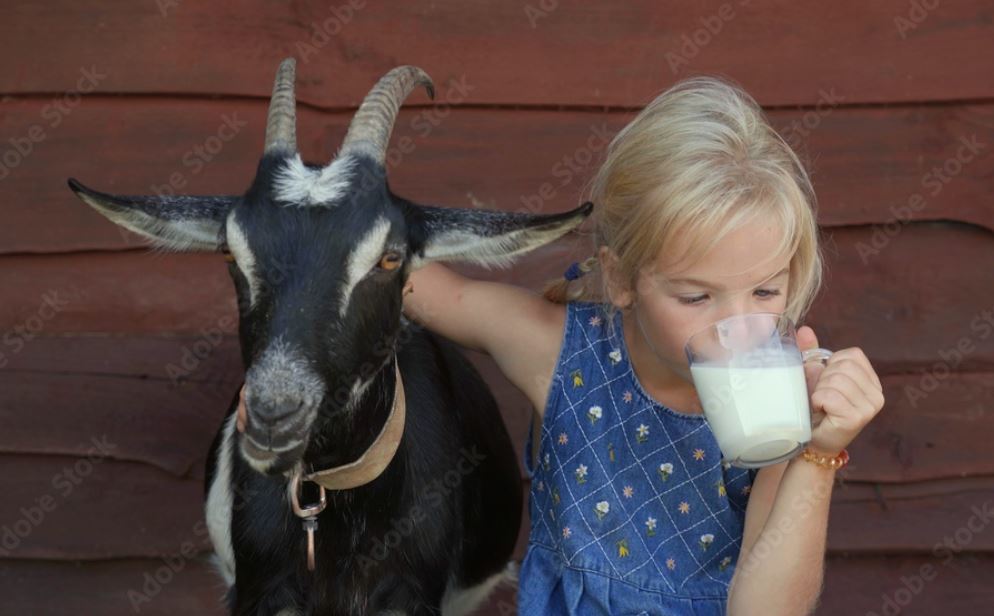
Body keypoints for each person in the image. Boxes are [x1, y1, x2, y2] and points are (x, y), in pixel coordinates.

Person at [401, 76, 885, 614]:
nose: (738, 327)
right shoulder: (563, 354)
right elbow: (427, 289)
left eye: (766, 290)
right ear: (623, 279)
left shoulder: (778, 401)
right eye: (697, 297)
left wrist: (815, 456)